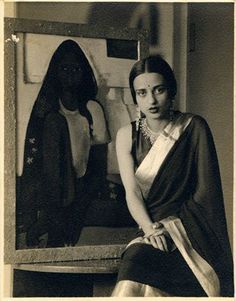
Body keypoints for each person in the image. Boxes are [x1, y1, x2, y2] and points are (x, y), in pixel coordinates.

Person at [112, 55, 234, 297]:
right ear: (135, 97)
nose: (151, 100)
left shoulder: (193, 127)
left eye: (159, 90)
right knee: (136, 260)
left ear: (172, 91)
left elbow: (205, 195)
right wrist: (151, 230)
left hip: (191, 233)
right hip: (150, 228)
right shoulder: (126, 135)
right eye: (142, 93)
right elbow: (132, 192)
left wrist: (172, 230)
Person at [17, 39, 109, 248]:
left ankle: (59, 222)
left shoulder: (92, 109)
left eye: (76, 68)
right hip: (52, 184)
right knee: (54, 121)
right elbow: (35, 156)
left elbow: (99, 160)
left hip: (82, 180)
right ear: (55, 72)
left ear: (84, 72)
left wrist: (86, 194)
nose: (70, 73)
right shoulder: (47, 109)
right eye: (64, 68)